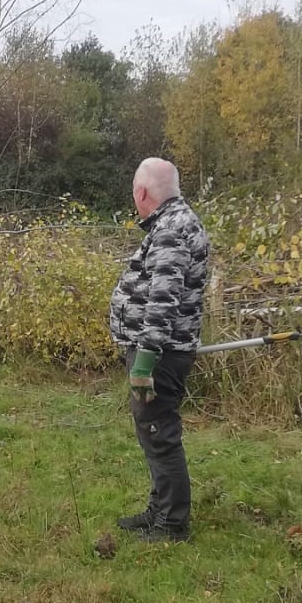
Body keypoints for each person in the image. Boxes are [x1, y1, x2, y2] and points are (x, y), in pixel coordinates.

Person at [108, 156, 210, 543]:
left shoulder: (171, 229)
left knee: (159, 432)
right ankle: (159, 509)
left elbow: (162, 302)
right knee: (153, 432)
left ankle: (171, 525)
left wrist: (144, 364)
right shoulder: (176, 222)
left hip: (160, 355)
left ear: (141, 192)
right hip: (160, 352)